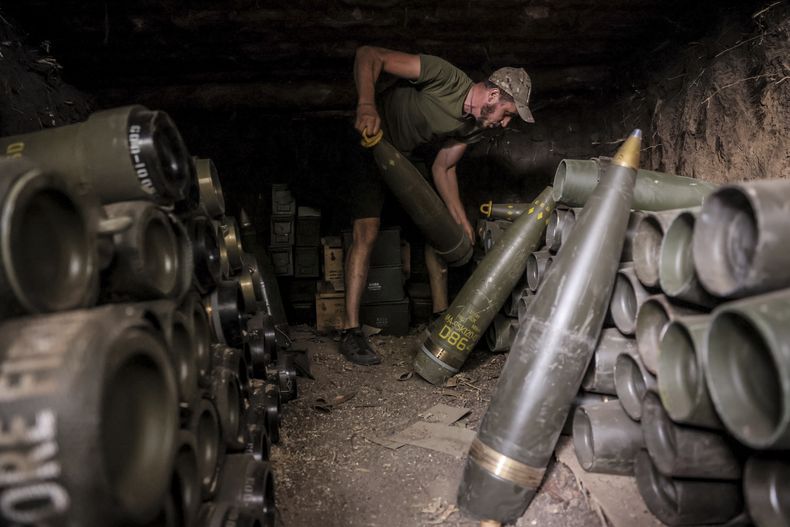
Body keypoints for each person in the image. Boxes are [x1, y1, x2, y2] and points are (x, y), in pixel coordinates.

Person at [340, 45, 535, 365]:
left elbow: (443, 166)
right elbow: (368, 55)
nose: (504, 124)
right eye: (508, 113)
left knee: (439, 230)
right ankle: (350, 331)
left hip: (403, 157)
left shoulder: (475, 128)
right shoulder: (445, 76)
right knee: (367, 232)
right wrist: (366, 104)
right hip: (369, 142)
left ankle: (440, 315)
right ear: (492, 96)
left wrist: (459, 218)